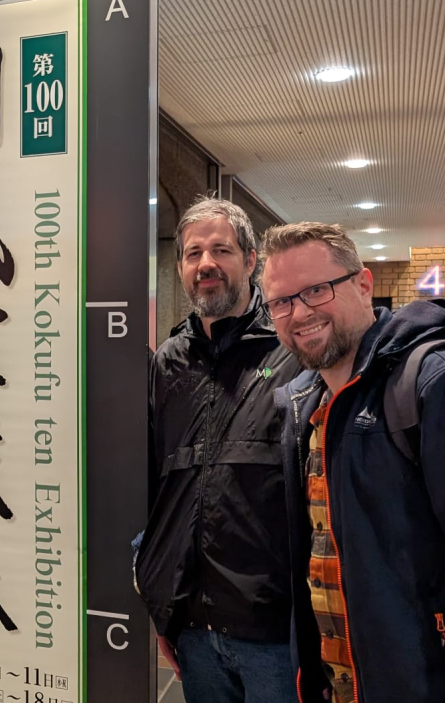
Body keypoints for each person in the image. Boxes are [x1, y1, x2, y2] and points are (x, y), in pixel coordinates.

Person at [262, 223, 445, 703]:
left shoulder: (436, 382)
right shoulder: (304, 408)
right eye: (281, 302)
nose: (300, 313)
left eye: (316, 290)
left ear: (363, 284)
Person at [137, 197, 302, 702]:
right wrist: (160, 592)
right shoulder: (169, 360)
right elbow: (155, 482)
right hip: (192, 622)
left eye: (220, 250)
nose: (205, 263)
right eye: (192, 254)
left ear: (250, 261)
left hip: (274, 631)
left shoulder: (290, 348)